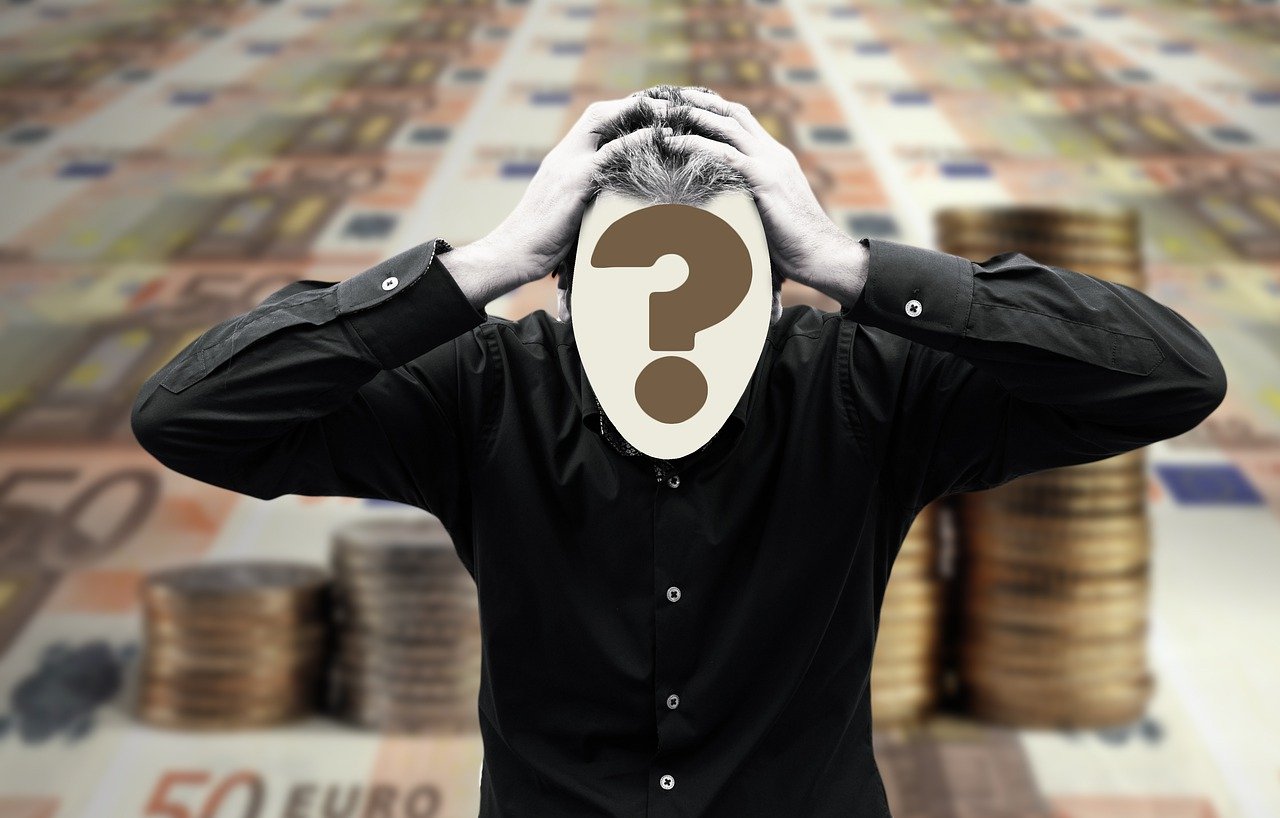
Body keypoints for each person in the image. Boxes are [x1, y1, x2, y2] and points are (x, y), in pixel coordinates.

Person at [130, 84, 1228, 817]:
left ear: (767, 285)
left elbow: (1168, 375)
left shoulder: (860, 385)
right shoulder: (487, 392)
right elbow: (191, 411)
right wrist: (483, 262)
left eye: (720, 288)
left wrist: (852, 264)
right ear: (566, 287)